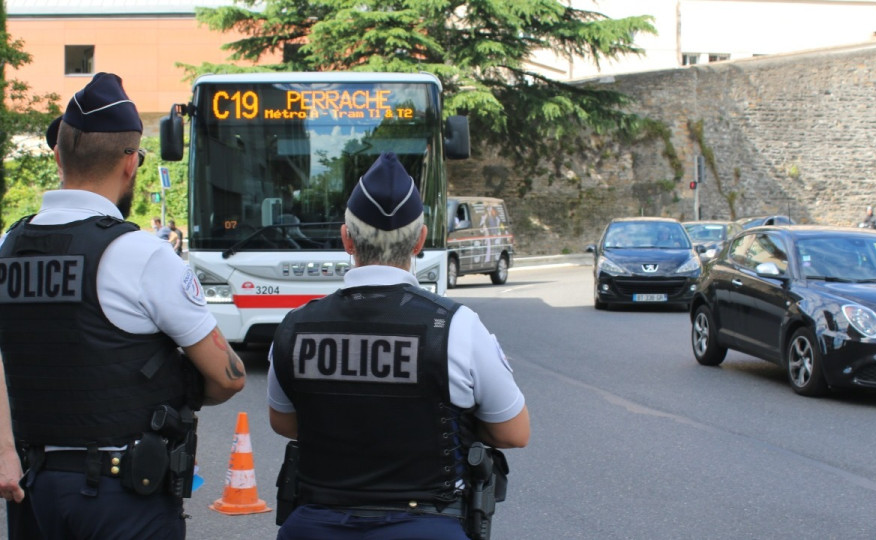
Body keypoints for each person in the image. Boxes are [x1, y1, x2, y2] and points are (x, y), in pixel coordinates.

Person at [0, 72, 246, 539]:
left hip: (34, 491)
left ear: (58, 156)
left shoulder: (8, 248)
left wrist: (5, 450)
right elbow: (229, 377)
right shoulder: (141, 254)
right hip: (122, 498)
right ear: (130, 162)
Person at [267, 152, 530, 540]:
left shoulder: (295, 326)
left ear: (346, 238)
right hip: (428, 526)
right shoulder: (456, 325)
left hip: (314, 525)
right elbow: (513, 432)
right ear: (420, 240)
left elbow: (284, 422)